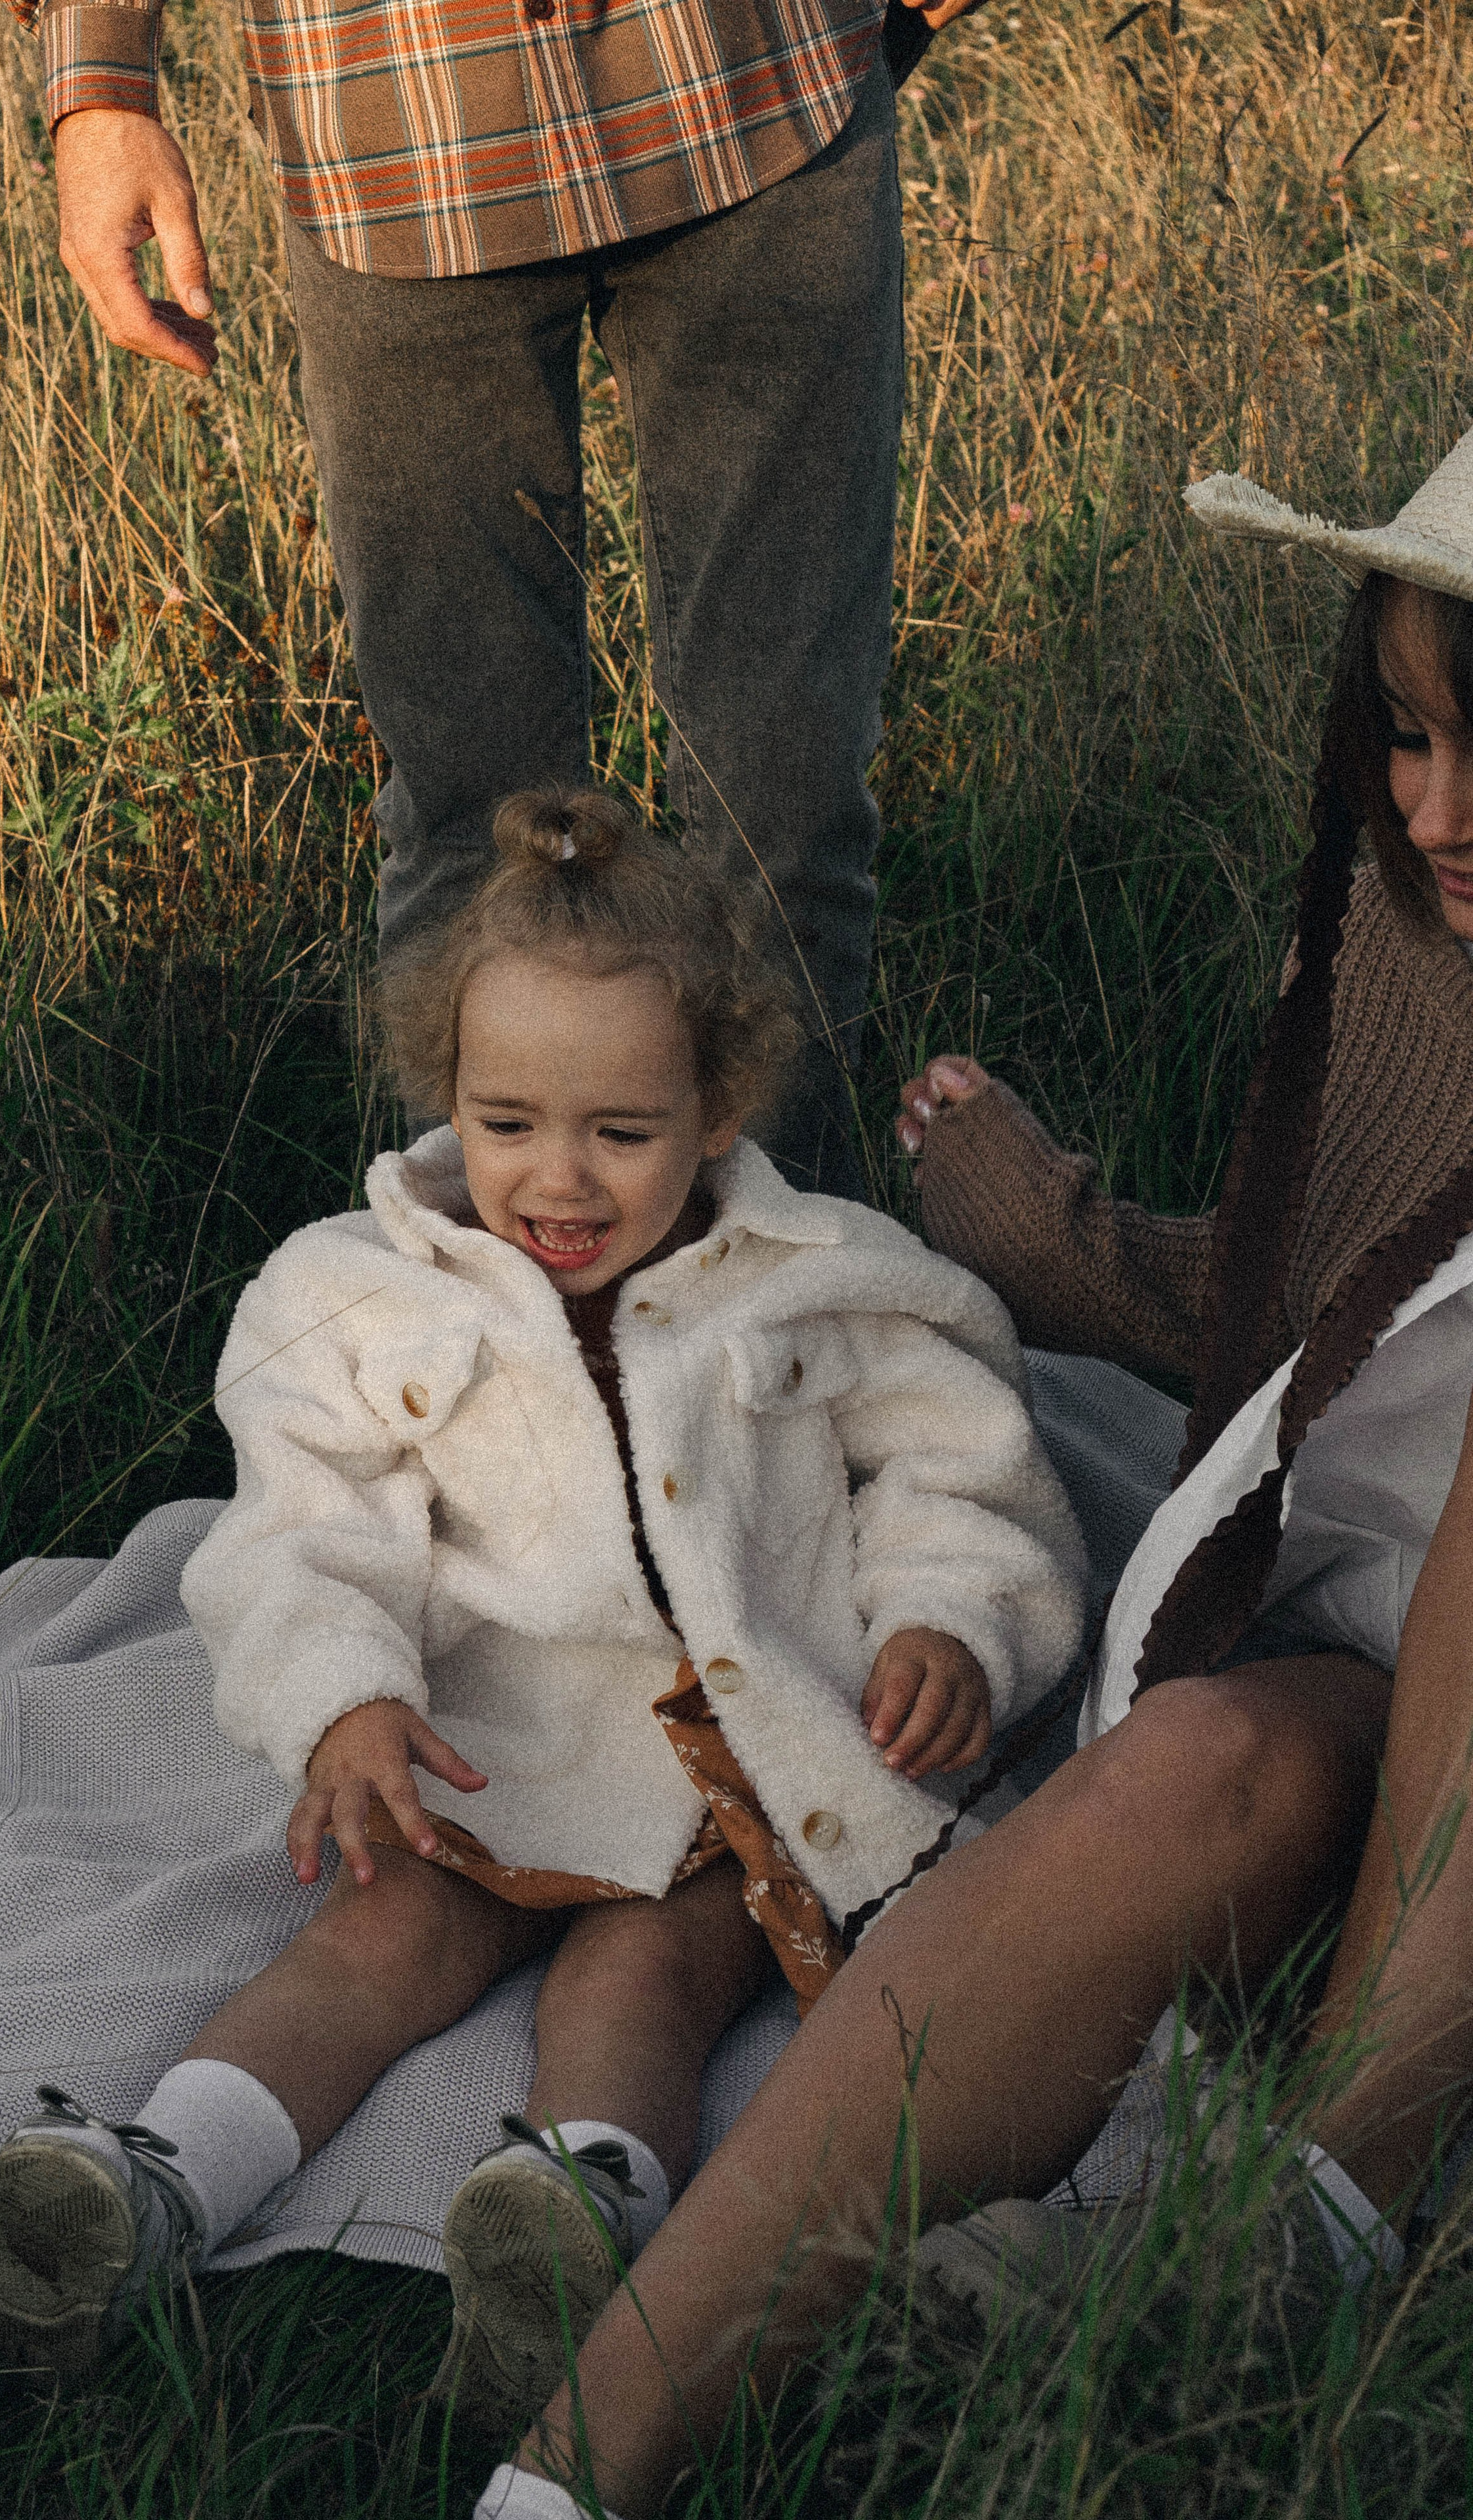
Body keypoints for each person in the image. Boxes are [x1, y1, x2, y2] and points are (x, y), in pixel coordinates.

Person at [466, 436, 1473, 2520]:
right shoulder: (1412, 941)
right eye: (1402, 735)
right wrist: (1073, 1249)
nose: (1433, 811)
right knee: (1193, 1765)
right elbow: (1348, 1308)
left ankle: (1322, 2220)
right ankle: (572, 2471)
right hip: (1371, 1631)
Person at [0, 786, 1084, 2425]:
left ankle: (569, 2218)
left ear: (714, 1108)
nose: (554, 1178)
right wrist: (343, 1694)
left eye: (619, 1134)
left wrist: (949, 1624)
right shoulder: (351, 1295)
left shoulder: (819, 1278)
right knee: (380, 1939)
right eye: (505, 1122)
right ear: (446, 1093)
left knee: (639, 1978)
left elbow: (958, 1471)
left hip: (738, 1766)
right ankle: (149, 2184)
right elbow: (299, 1528)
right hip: (482, 1739)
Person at [5, 0, 975, 1194]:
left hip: (756, 82)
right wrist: (102, 91)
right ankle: (471, 1337)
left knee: (787, 800)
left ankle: (778, 1322)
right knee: (473, 829)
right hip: (395, 131)